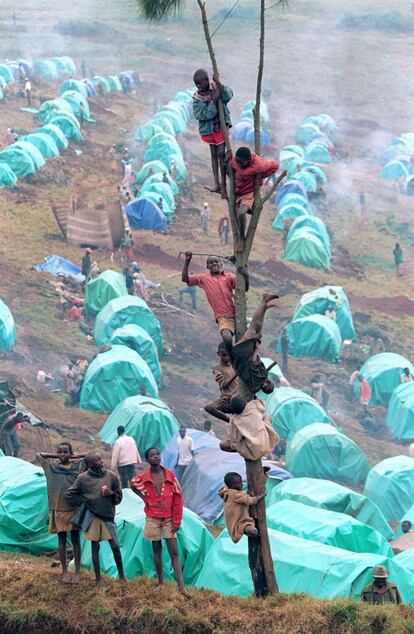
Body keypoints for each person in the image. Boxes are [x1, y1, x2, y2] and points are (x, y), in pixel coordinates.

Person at [130, 447, 190, 597]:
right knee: (156, 549)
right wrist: (144, 498)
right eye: (152, 455)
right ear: (147, 460)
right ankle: (161, 583)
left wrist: (177, 521)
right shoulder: (144, 477)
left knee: (174, 552)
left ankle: (181, 586)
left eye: (157, 454)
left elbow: (178, 499)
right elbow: (132, 483)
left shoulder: (170, 476)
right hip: (152, 518)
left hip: (169, 518)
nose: (156, 457)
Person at [65, 452, 125, 586]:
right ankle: (98, 579)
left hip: (108, 516)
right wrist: (85, 501)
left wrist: (111, 493)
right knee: (95, 546)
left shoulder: (111, 476)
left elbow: (119, 497)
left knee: (115, 546)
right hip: (92, 516)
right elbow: (69, 494)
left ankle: (122, 577)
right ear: (90, 464)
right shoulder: (82, 479)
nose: (101, 460)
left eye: (100, 458)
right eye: (97, 460)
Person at [37, 443, 86, 583]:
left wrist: (75, 456)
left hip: (74, 508)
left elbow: (89, 457)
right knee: (62, 540)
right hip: (58, 508)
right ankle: (64, 571)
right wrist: (57, 455)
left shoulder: (78, 467)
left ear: (71, 453)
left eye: (66, 452)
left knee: (76, 540)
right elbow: (39, 455)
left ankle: (77, 572)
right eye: (60, 452)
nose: (62, 455)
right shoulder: (52, 467)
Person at [181, 251, 249, 349]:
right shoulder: (204, 278)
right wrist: (187, 261)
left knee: (247, 340)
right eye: (211, 262)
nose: (214, 264)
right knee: (227, 338)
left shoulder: (229, 276)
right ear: (207, 266)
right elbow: (185, 279)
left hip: (238, 313)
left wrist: (245, 275)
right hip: (223, 317)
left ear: (221, 264)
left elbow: (244, 288)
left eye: (216, 261)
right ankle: (231, 357)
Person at [193, 68, 233, 198]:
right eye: (196, 84)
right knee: (214, 154)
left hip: (220, 127)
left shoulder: (216, 87)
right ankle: (217, 183)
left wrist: (219, 84)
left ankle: (223, 184)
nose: (198, 86)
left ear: (207, 80)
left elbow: (228, 95)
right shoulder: (197, 98)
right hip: (209, 130)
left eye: (200, 83)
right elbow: (202, 115)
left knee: (222, 153)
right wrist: (214, 102)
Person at [230, 146, 280, 251]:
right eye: (238, 162)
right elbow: (230, 166)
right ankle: (239, 238)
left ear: (249, 160)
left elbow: (275, 165)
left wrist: (261, 175)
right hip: (236, 192)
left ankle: (242, 239)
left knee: (241, 213)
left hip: (249, 193)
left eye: (242, 162)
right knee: (235, 216)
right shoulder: (234, 160)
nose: (239, 164)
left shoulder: (259, 165)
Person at [230, 292, 279, 396]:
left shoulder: (261, 378)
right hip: (238, 357)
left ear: (268, 382)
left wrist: (256, 348)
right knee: (258, 332)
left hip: (242, 354)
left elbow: (253, 363)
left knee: (254, 328)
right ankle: (264, 307)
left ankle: (264, 301)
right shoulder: (255, 384)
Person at [219, 396, 278, 461]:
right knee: (266, 417)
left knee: (223, 445)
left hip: (254, 451)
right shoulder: (252, 407)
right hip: (267, 442)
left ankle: (248, 453)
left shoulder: (234, 420)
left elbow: (235, 439)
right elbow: (262, 405)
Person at [218, 472, 266, 543]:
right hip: (239, 522)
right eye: (239, 483)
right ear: (231, 485)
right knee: (254, 531)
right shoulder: (234, 494)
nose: (242, 484)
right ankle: (246, 531)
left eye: (241, 482)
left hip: (239, 519)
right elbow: (251, 501)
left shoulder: (229, 491)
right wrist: (263, 495)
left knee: (253, 530)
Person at [205, 343, 239, 423]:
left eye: (228, 355)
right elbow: (223, 385)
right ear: (218, 354)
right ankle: (230, 421)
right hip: (227, 399)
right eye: (223, 355)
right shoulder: (217, 368)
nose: (226, 358)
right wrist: (236, 374)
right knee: (209, 407)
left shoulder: (236, 364)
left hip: (240, 397)